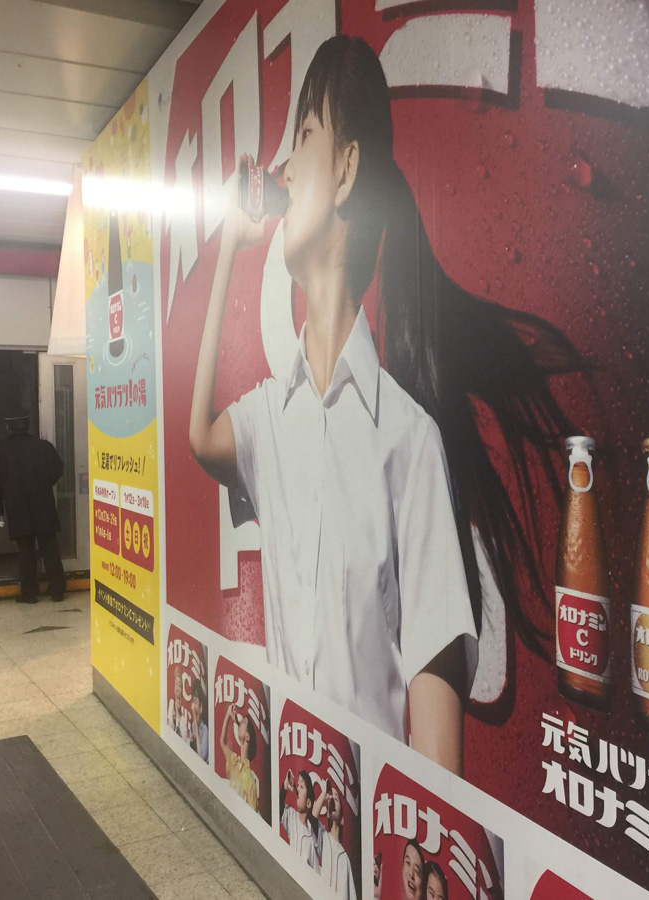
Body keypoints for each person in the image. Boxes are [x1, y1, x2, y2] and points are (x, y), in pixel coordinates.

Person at [189, 36, 582, 776]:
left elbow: (437, 769)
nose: (281, 168)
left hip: (373, 831)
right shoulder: (271, 414)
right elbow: (200, 436)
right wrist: (230, 250)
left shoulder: (409, 438)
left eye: (304, 135)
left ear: (345, 171)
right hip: (285, 810)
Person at [0, 413, 66, 604]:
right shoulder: (43, 447)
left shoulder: (0, 451)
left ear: (8, 428)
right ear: (28, 426)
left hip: (17, 506)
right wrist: (46, 482)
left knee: (25, 550)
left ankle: (29, 593)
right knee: (50, 547)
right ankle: (57, 591)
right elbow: (58, 469)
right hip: (43, 503)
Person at [312, 779, 357, 899]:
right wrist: (324, 795)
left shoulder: (345, 858)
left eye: (335, 799)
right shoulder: (323, 837)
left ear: (342, 819)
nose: (332, 799)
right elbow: (312, 819)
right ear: (327, 814)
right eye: (330, 799)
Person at [221, 701, 261, 810]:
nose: (240, 721)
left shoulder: (250, 780)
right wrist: (228, 715)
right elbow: (222, 742)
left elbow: (252, 813)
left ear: (247, 736)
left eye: (243, 722)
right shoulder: (234, 761)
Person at [281, 770, 322, 869]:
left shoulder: (311, 840)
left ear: (308, 803)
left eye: (302, 787)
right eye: (298, 785)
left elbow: (315, 874)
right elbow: (277, 809)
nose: (298, 789)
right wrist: (285, 786)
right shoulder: (292, 816)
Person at [188, 679, 210, 763]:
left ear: (201, 707)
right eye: (193, 701)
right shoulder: (193, 725)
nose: (193, 706)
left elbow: (201, 756)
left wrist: (194, 715)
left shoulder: (205, 730)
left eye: (195, 701)